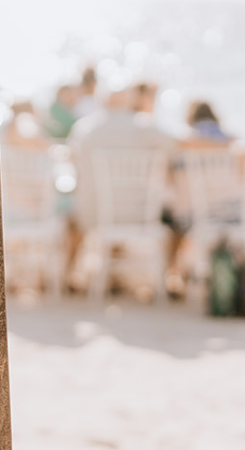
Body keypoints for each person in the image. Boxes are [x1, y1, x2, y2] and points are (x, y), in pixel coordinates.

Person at [66, 84, 176, 294]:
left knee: (71, 219)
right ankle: (171, 275)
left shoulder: (85, 128)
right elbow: (178, 145)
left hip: (93, 214)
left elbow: (73, 162)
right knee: (174, 218)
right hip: (139, 214)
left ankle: (71, 275)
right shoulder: (146, 126)